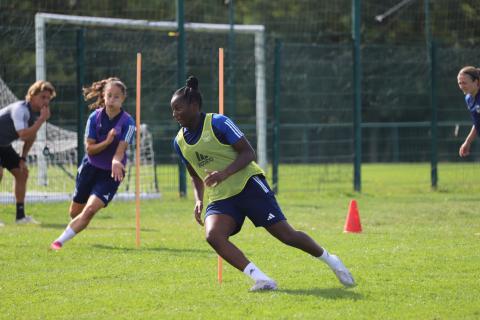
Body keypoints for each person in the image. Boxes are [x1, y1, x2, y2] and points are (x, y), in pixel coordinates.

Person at [171, 76, 355, 291]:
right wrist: (198, 200)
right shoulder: (179, 142)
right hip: (222, 196)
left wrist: (224, 173)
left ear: (194, 105)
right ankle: (262, 279)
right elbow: (194, 174)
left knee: (287, 236)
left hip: (249, 185)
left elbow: (249, 153)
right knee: (214, 236)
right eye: (172, 110)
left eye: (178, 109)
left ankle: (331, 260)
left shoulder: (218, 122)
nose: (175, 114)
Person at [50, 77, 135, 250]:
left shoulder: (128, 123)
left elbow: (120, 152)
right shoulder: (94, 118)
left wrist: (116, 162)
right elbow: (90, 150)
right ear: (103, 96)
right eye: (109, 95)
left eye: (116, 97)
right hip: (90, 168)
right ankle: (75, 226)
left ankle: (58, 242)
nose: (112, 100)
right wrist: (107, 141)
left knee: (89, 211)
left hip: (111, 174)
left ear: (123, 99)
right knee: (75, 212)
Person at [0, 80, 55, 226]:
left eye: (48, 98)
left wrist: (22, 158)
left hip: (3, 145)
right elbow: (23, 134)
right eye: (43, 97)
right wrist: (42, 120)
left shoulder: (33, 114)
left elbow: (32, 137)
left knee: (22, 173)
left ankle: (20, 217)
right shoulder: (20, 109)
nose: (46, 101)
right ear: (32, 95)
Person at [458, 66, 480, 157]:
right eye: (459, 83)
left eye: (464, 83)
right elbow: (477, 123)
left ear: (476, 82)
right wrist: (467, 142)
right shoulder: (468, 98)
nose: (462, 86)